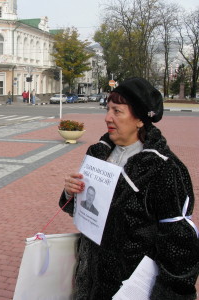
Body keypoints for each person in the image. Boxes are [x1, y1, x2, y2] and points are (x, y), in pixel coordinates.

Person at [59, 77, 198, 299]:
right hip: (91, 281)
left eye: (117, 111)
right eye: (107, 109)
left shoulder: (163, 168)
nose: (107, 118)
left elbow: (179, 248)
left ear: (140, 119)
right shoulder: (98, 154)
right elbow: (80, 209)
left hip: (129, 288)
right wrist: (70, 192)